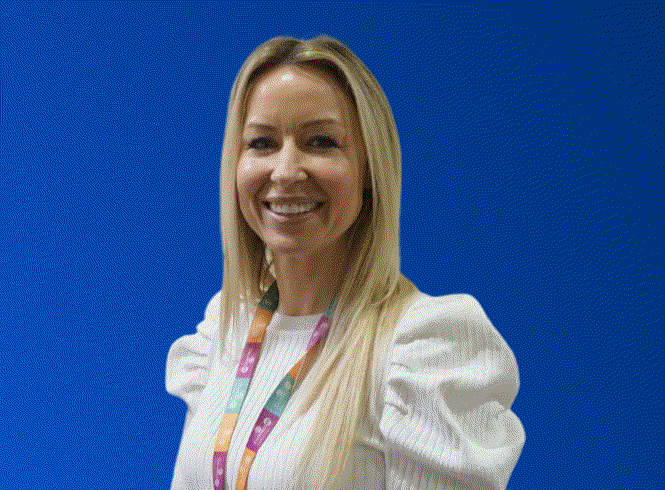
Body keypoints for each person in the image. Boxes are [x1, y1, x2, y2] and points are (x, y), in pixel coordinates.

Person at [166, 36, 524, 490]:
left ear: (370, 169)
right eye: (262, 142)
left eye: (321, 142)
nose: (285, 170)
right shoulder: (225, 327)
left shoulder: (420, 349)